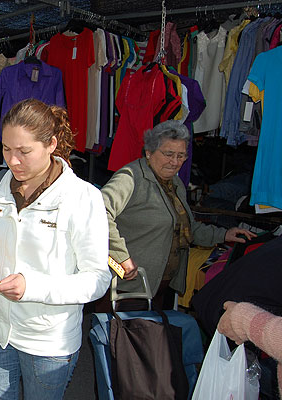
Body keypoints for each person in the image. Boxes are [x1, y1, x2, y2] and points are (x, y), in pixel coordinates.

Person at [0, 98, 111, 400]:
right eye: (6, 149)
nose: (13, 160)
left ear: (52, 144)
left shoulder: (84, 198)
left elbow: (97, 278)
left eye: (24, 151)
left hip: (47, 339)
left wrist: (33, 286)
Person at [100, 120, 256, 311]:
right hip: (129, 287)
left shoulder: (174, 183)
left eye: (181, 156)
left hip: (158, 285)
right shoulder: (131, 178)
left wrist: (223, 235)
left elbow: (186, 226)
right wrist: (121, 257)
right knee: (123, 338)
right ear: (149, 152)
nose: (175, 162)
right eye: (168, 154)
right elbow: (98, 214)